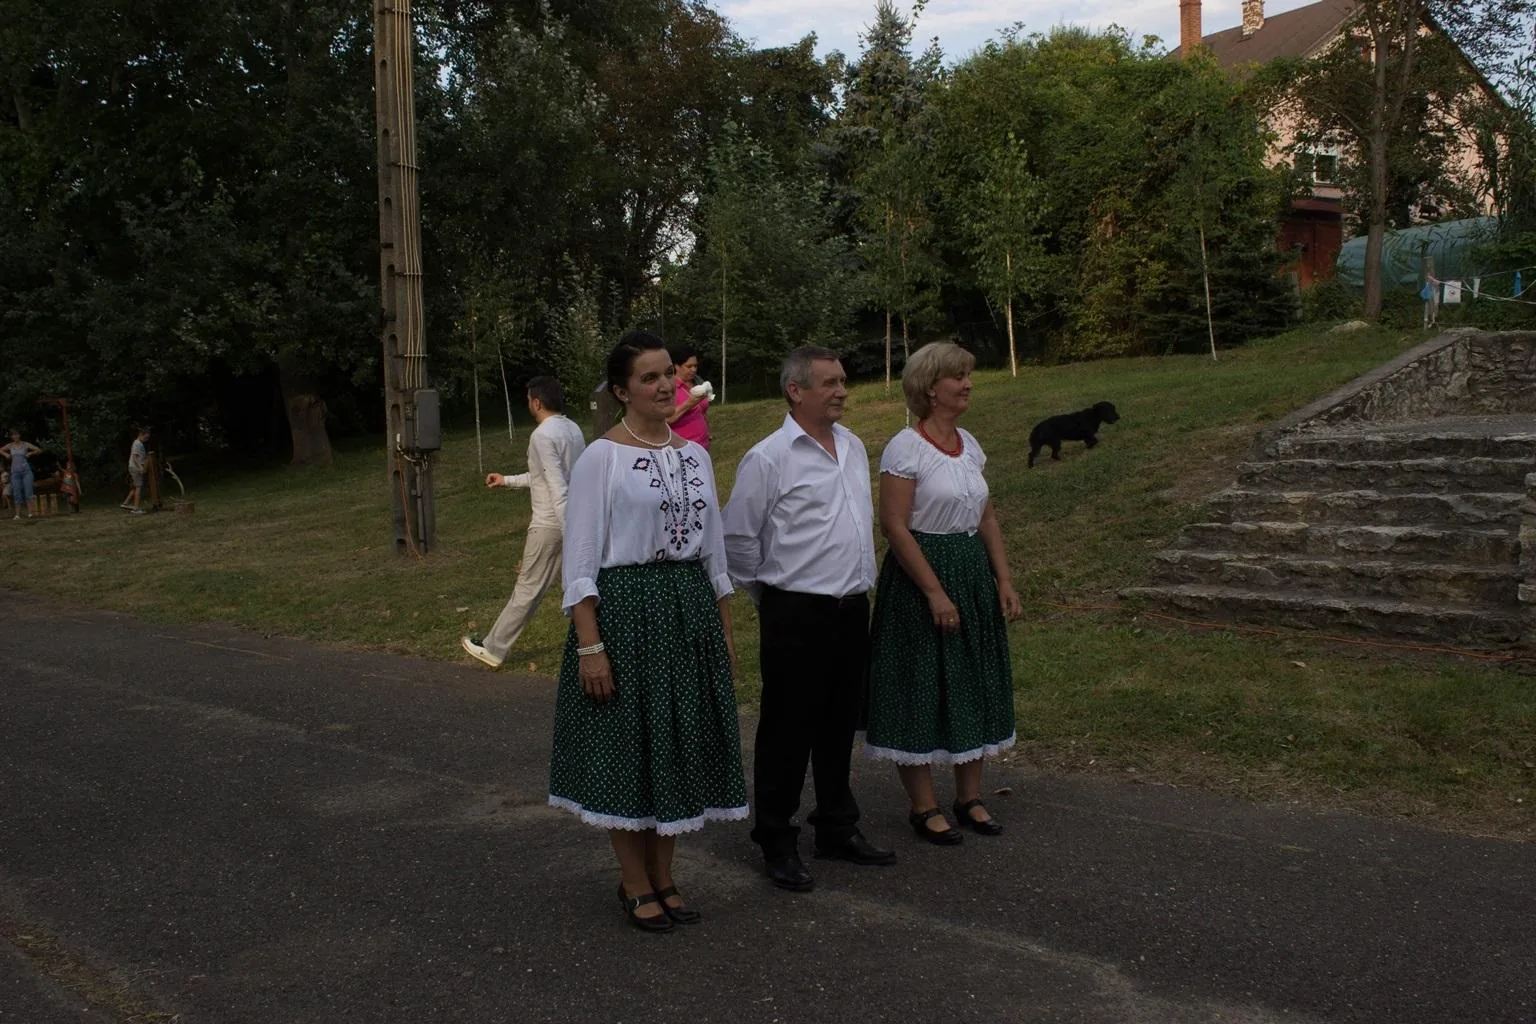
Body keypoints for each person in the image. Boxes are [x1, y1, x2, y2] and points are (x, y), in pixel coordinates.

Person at [548, 331, 746, 933]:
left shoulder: (695, 455)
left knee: (679, 743)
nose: (665, 387)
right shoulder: (601, 458)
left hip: (687, 609)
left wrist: (724, 632)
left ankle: (666, 876)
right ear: (621, 390)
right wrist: (591, 646)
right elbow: (580, 560)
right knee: (629, 748)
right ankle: (634, 882)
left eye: (669, 376)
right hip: (626, 612)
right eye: (649, 378)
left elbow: (714, 554)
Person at [723, 346, 894, 893]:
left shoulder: (854, 447)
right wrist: (772, 598)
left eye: (843, 380)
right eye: (830, 382)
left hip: (849, 609)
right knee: (787, 730)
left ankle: (836, 828)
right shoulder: (769, 458)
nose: (842, 390)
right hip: (795, 611)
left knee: (839, 724)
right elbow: (737, 542)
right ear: (796, 390)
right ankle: (776, 839)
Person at [864, 342, 1022, 844]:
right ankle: (924, 806)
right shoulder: (905, 448)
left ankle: (969, 797)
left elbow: (987, 517)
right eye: (959, 377)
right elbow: (894, 525)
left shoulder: (970, 444)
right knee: (921, 685)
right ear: (932, 387)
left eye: (969, 376)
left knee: (972, 677)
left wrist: (1004, 579)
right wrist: (934, 591)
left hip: (971, 574)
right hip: (921, 580)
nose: (969, 384)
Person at [462, 376, 587, 669]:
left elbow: (558, 486)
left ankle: (493, 648)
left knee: (529, 588)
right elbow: (549, 476)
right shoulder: (573, 429)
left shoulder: (542, 435)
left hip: (550, 524)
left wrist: (572, 534)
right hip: (570, 518)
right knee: (566, 586)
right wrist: (506, 480)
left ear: (537, 402)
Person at [666, 344, 712, 449]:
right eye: (689, 366)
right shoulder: (669, 388)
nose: (693, 370)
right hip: (683, 448)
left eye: (695, 366)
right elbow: (667, 419)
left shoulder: (697, 382)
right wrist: (690, 403)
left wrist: (708, 431)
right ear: (676, 366)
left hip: (703, 444)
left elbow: (703, 411)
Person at [2, 430, 41, 520]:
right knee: (17, 493)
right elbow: (1, 450)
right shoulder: (10, 445)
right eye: (13, 435)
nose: (15, 436)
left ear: (19, 435)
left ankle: (30, 513)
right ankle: (17, 515)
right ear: (12, 437)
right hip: (15, 472)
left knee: (28, 492)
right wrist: (6, 454)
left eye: (17, 434)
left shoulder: (25, 444)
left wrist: (30, 453)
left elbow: (38, 450)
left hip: (26, 471)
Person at [122, 427, 150, 515]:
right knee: (138, 487)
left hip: (135, 467)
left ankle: (125, 503)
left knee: (135, 486)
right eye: (146, 437)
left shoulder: (139, 443)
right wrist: (140, 467)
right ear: (141, 434)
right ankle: (136, 509)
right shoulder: (137, 444)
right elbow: (135, 457)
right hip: (135, 468)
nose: (147, 439)